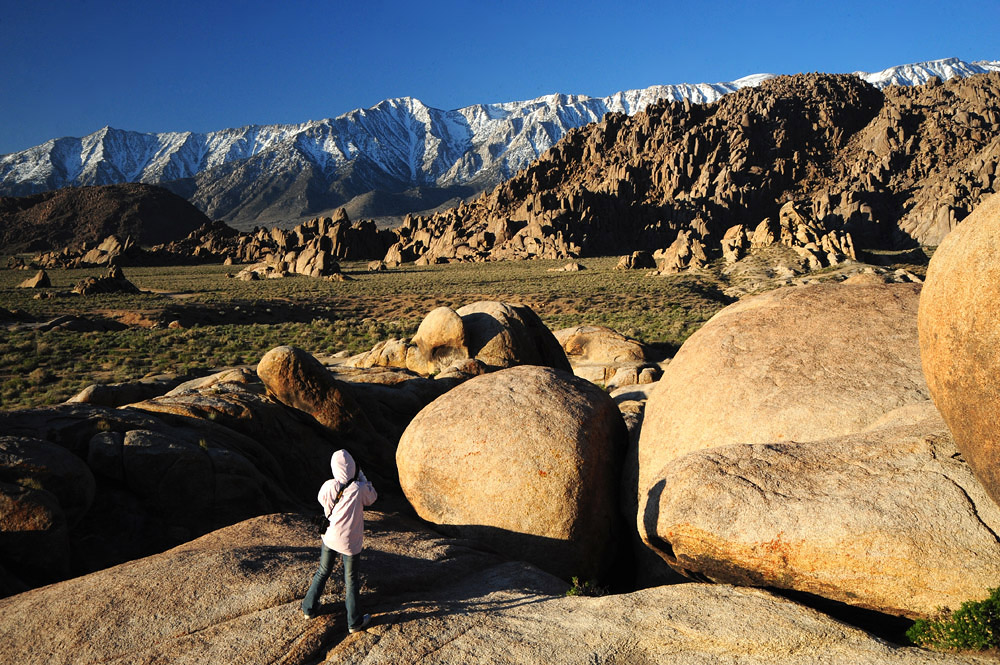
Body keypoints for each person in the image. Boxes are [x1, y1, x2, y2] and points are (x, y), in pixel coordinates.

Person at [302, 449, 378, 632]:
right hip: (349, 543)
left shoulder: (329, 485)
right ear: (352, 468)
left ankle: (309, 608)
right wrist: (361, 476)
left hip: (330, 536)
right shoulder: (359, 489)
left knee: (323, 571)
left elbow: (322, 500)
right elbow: (373, 497)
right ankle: (354, 622)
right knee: (351, 580)